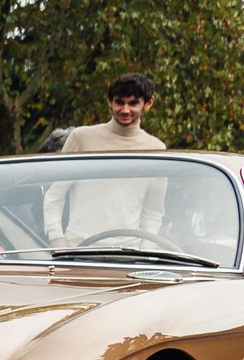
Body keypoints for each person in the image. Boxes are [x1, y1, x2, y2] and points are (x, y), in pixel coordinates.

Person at [43, 73, 168, 247]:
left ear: (148, 104)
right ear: (109, 101)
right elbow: (54, 196)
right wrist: (57, 240)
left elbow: (153, 211)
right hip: (78, 250)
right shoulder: (81, 137)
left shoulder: (157, 149)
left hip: (128, 255)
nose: (125, 110)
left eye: (133, 103)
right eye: (119, 102)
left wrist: (145, 252)